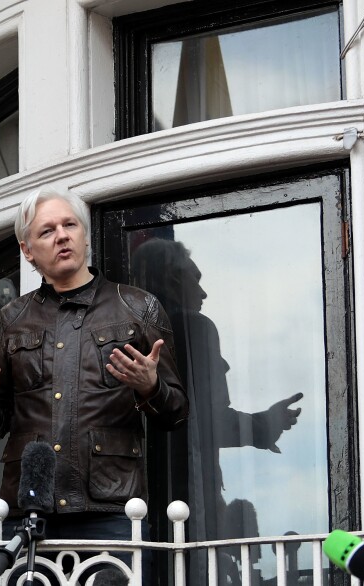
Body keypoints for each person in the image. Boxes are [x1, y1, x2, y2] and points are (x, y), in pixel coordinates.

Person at [0, 187, 188, 581]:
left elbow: (177, 414)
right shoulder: (10, 319)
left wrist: (150, 387)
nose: (62, 235)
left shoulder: (139, 307)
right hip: (26, 512)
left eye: (70, 225)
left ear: (85, 236)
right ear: (27, 250)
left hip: (111, 513)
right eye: (47, 231)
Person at [130, 239, 303, 585]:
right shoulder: (195, 327)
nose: (204, 292)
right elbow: (208, 421)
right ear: (174, 280)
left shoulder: (127, 335)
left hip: (134, 497)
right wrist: (263, 425)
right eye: (195, 278)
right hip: (189, 493)